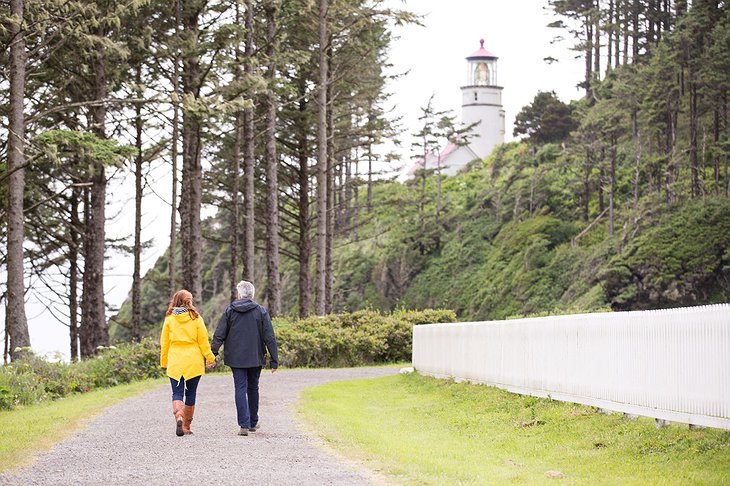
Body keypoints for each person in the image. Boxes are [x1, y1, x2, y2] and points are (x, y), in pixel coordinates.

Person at [211, 280, 278, 436]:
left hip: (236, 358)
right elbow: (269, 337)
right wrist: (274, 359)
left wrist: (212, 354)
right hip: (255, 356)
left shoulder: (230, 311)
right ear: (252, 295)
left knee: (240, 388)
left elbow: (219, 334)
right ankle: (253, 422)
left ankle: (244, 425)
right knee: (253, 388)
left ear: (239, 294)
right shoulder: (261, 311)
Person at [160, 289, 216, 437]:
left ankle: (178, 416)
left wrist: (164, 360)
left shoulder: (170, 319)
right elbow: (203, 341)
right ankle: (186, 425)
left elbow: (164, 342)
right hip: (193, 361)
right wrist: (210, 357)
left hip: (176, 361)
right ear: (189, 302)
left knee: (177, 393)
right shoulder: (196, 318)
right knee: (191, 393)